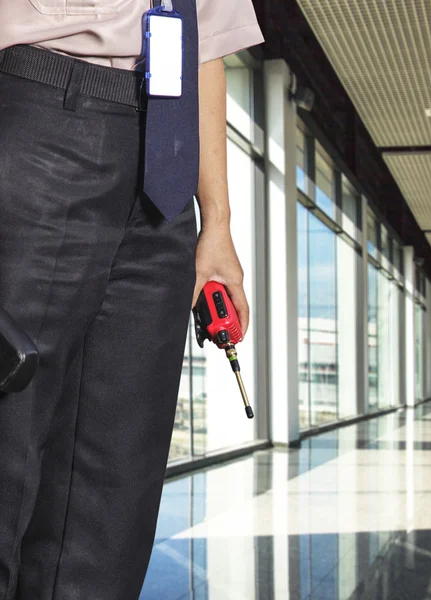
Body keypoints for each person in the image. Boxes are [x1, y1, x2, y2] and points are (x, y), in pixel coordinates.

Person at [0, 1, 263, 598]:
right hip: (34, 117)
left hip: (164, 171)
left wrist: (216, 222)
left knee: (111, 507)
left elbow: (204, 43)